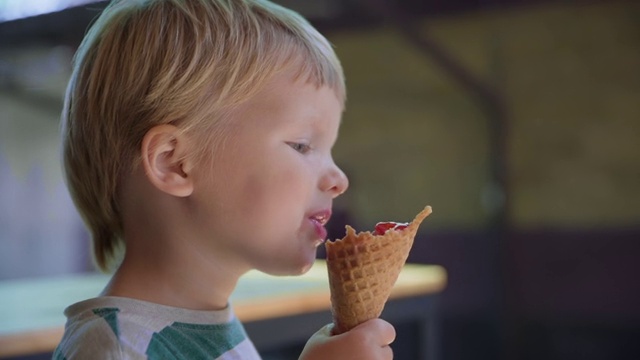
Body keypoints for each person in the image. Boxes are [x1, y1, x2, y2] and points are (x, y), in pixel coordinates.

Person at [54, 0, 396, 359]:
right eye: (302, 145)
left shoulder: (211, 327)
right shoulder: (112, 347)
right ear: (176, 163)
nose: (338, 178)